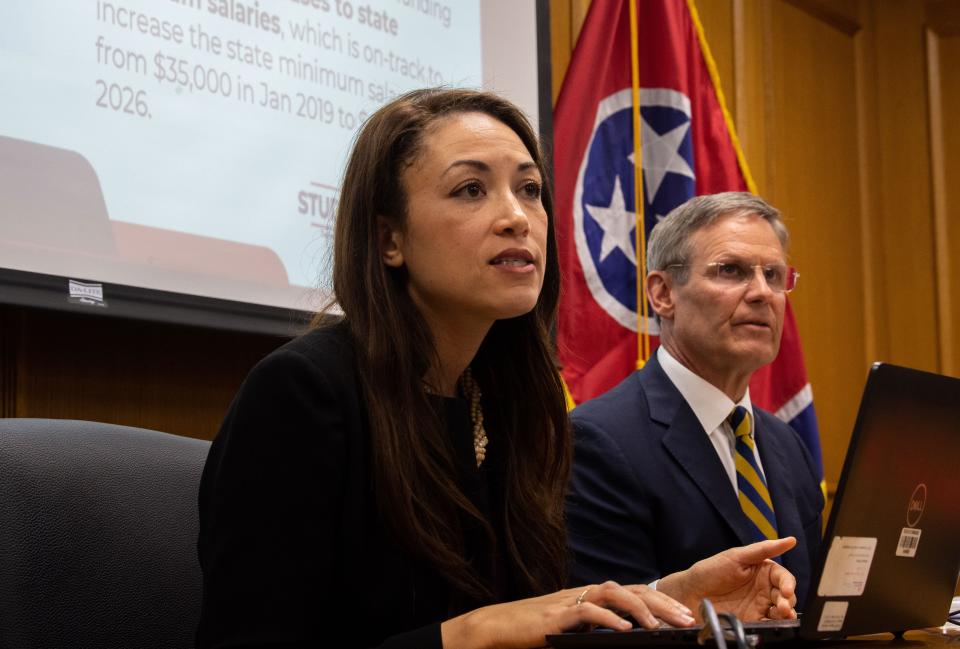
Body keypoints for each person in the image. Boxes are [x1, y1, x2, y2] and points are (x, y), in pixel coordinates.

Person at [196, 90, 799, 649]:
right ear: (389, 240)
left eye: (531, 190)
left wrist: (670, 603)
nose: (517, 217)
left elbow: (542, 620)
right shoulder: (303, 394)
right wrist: (473, 632)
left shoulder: (512, 406)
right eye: (470, 190)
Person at [566, 192, 824, 610]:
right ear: (663, 293)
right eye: (732, 271)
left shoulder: (786, 443)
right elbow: (601, 622)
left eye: (775, 276)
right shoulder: (597, 440)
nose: (763, 293)